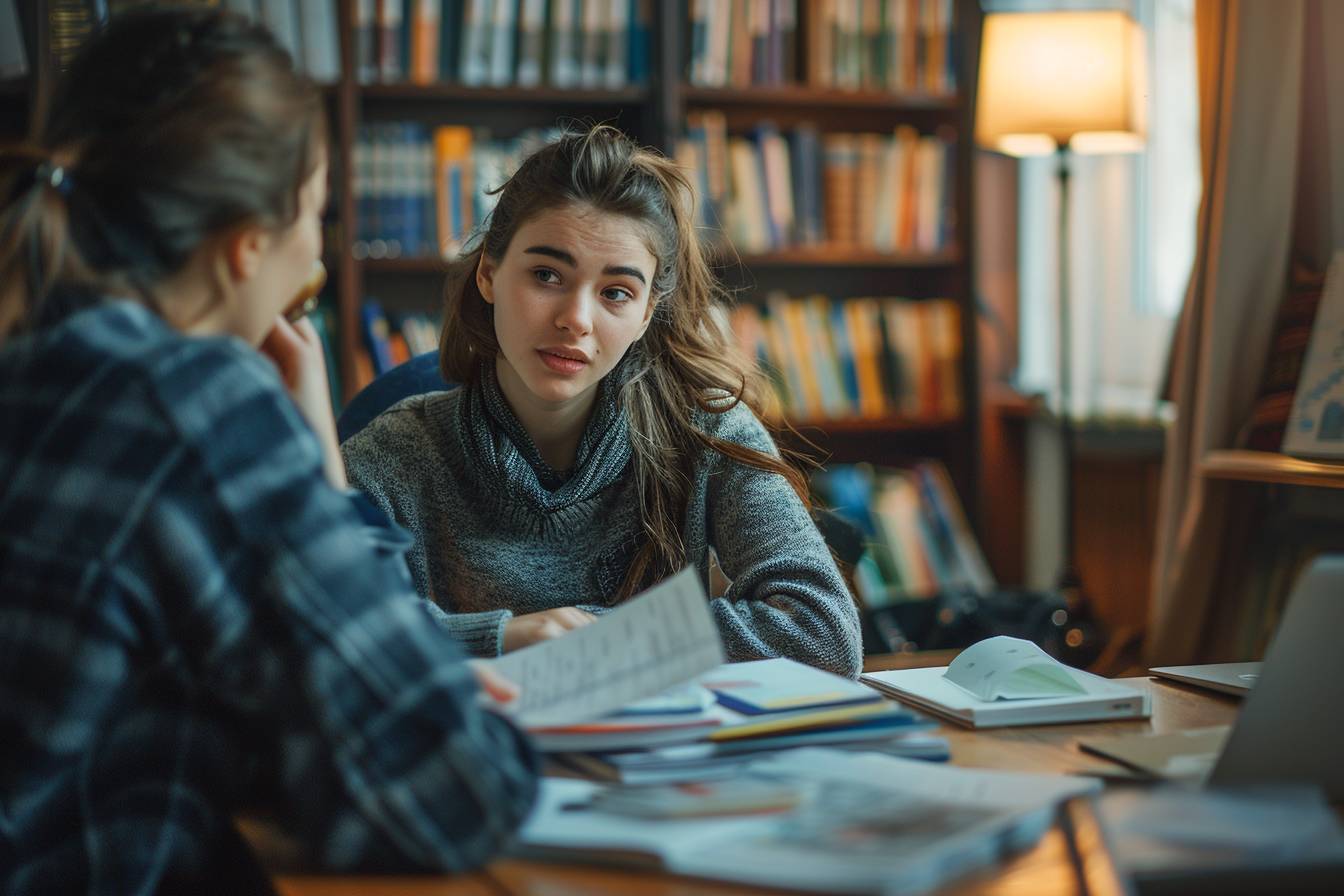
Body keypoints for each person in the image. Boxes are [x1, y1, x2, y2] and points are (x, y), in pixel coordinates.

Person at [0, 9, 536, 894]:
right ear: (248, 246)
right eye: (316, 216)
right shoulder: (192, 407)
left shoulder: (42, 361)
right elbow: (455, 792)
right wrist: (322, 475)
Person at [341, 125, 863, 677]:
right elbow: (330, 640)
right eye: (546, 275)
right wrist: (503, 638)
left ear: (645, 315)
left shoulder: (706, 431)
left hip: (664, 759)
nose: (576, 319)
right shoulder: (396, 453)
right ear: (489, 275)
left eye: (616, 292)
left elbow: (823, 632)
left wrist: (600, 640)